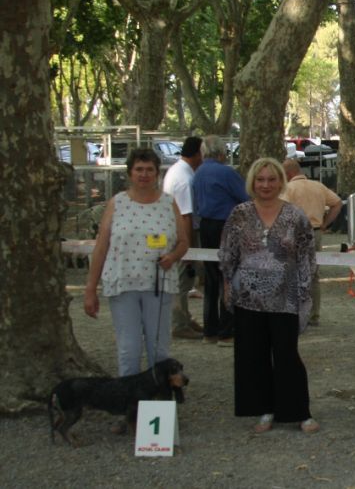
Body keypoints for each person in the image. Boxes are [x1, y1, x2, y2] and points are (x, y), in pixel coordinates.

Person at [219, 157, 319, 434]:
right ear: (253, 182)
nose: (266, 185)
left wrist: (304, 292)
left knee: (288, 356)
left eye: (271, 179)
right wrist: (228, 285)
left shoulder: (295, 216)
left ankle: (300, 411)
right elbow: (228, 253)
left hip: (285, 298)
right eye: (260, 179)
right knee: (254, 356)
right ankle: (265, 409)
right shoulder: (239, 214)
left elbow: (306, 257)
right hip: (248, 300)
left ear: (280, 182)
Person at [84, 148, 190, 378]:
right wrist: (90, 289)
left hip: (158, 285)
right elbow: (101, 247)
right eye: (139, 169)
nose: (144, 174)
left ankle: (159, 400)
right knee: (128, 348)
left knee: (159, 348)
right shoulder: (116, 203)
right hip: (123, 284)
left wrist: (172, 257)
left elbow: (183, 242)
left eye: (149, 169)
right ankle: (129, 405)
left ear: (156, 173)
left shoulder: (168, 203)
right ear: (130, 173)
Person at [193, 135, 249, 346]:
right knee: (229, 278)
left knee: (211, 279)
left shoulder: (198, 173)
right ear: (221, 152)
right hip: (226, 226)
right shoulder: (226, 172)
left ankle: (210, 330)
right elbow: (246, 197)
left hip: (206, 226)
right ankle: (227, 332)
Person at [280, 158, 342, 326]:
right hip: (315, 232)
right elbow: (337, 203)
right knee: (313, 275)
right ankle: (314, 314)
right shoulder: (318, 186)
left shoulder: (288, 189)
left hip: (295, 234)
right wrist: (325, 224)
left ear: (287, 174)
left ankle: (296, 311)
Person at [161, 136, 204, 340]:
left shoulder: (177, 170)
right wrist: (187, 247)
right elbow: (186, 215)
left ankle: (185, 317)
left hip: (175, 232)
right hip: (181, 235)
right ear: (197, 154)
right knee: (181, 281)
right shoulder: (185, 179)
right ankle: (179, 323)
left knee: (184, 280)